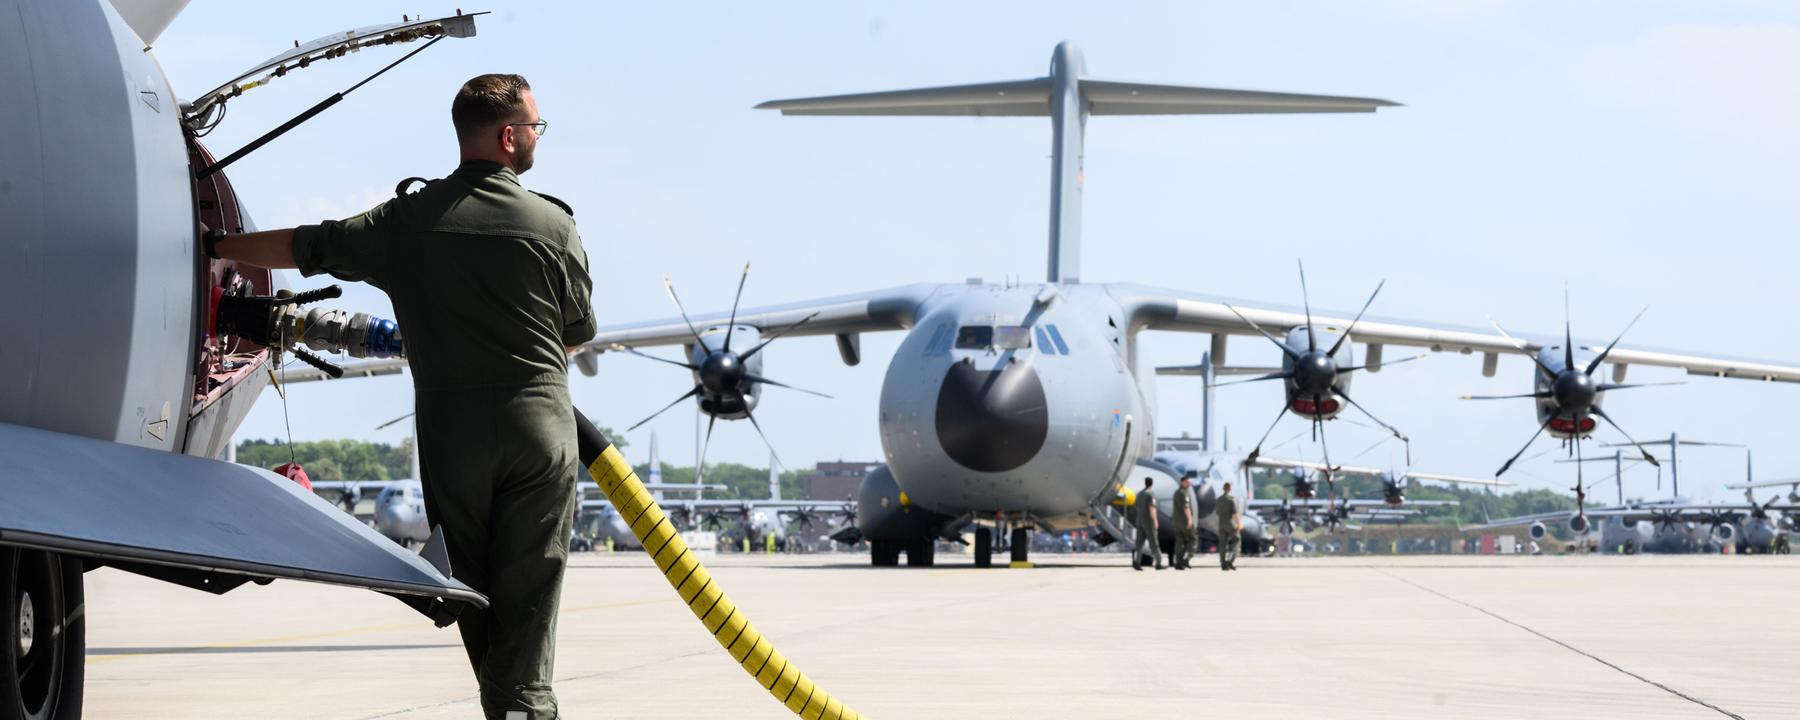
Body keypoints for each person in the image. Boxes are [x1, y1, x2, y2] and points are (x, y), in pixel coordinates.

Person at [209, 74, 591, 720]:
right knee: (531, 594)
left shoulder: (407, 222)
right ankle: (524, 709)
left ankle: (512, 706)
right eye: (535, 128)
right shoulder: (553, 226)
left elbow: (309, 246)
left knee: (470, 588)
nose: (537, 138)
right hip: (541, 432)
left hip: (453, 438)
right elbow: (577, 335)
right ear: (507, 137)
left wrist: (217, 248)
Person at [1131, 476, 1162, 571]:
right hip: (1148, 522)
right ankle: (1158, 563)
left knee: (1139, 543)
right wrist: (1155, 521)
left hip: (1139, 521)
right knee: (1154, 543)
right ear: (1151, 484)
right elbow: (1152, 508)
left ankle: (1137, 562)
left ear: (1145, 483)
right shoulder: (1150, 494)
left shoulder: (1139, 494)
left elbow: (1136, 506)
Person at [1172, 473, 1198, 570]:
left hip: (1177, 522)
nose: (1189, 484)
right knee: (1193, 539)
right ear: (1182, 482)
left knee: (1179, 541)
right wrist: (1190, 519)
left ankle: (1178, 562)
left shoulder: (1176, 492)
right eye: (1187, 482)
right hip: (1185, 522)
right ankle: (1186, 559)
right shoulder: (1184, 493)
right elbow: (1186, 507)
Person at [1216, 481, 1241, 571]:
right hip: (1230, 523)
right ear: (1229, 489)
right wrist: (1238, 524)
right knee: (1236, 540)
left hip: (1221, 524)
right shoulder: (1231, 500)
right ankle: (1230, 560)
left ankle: (1223, 564)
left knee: (1222, 544)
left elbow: (1217, 512)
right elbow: (1235, 514)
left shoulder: (1218, 499)